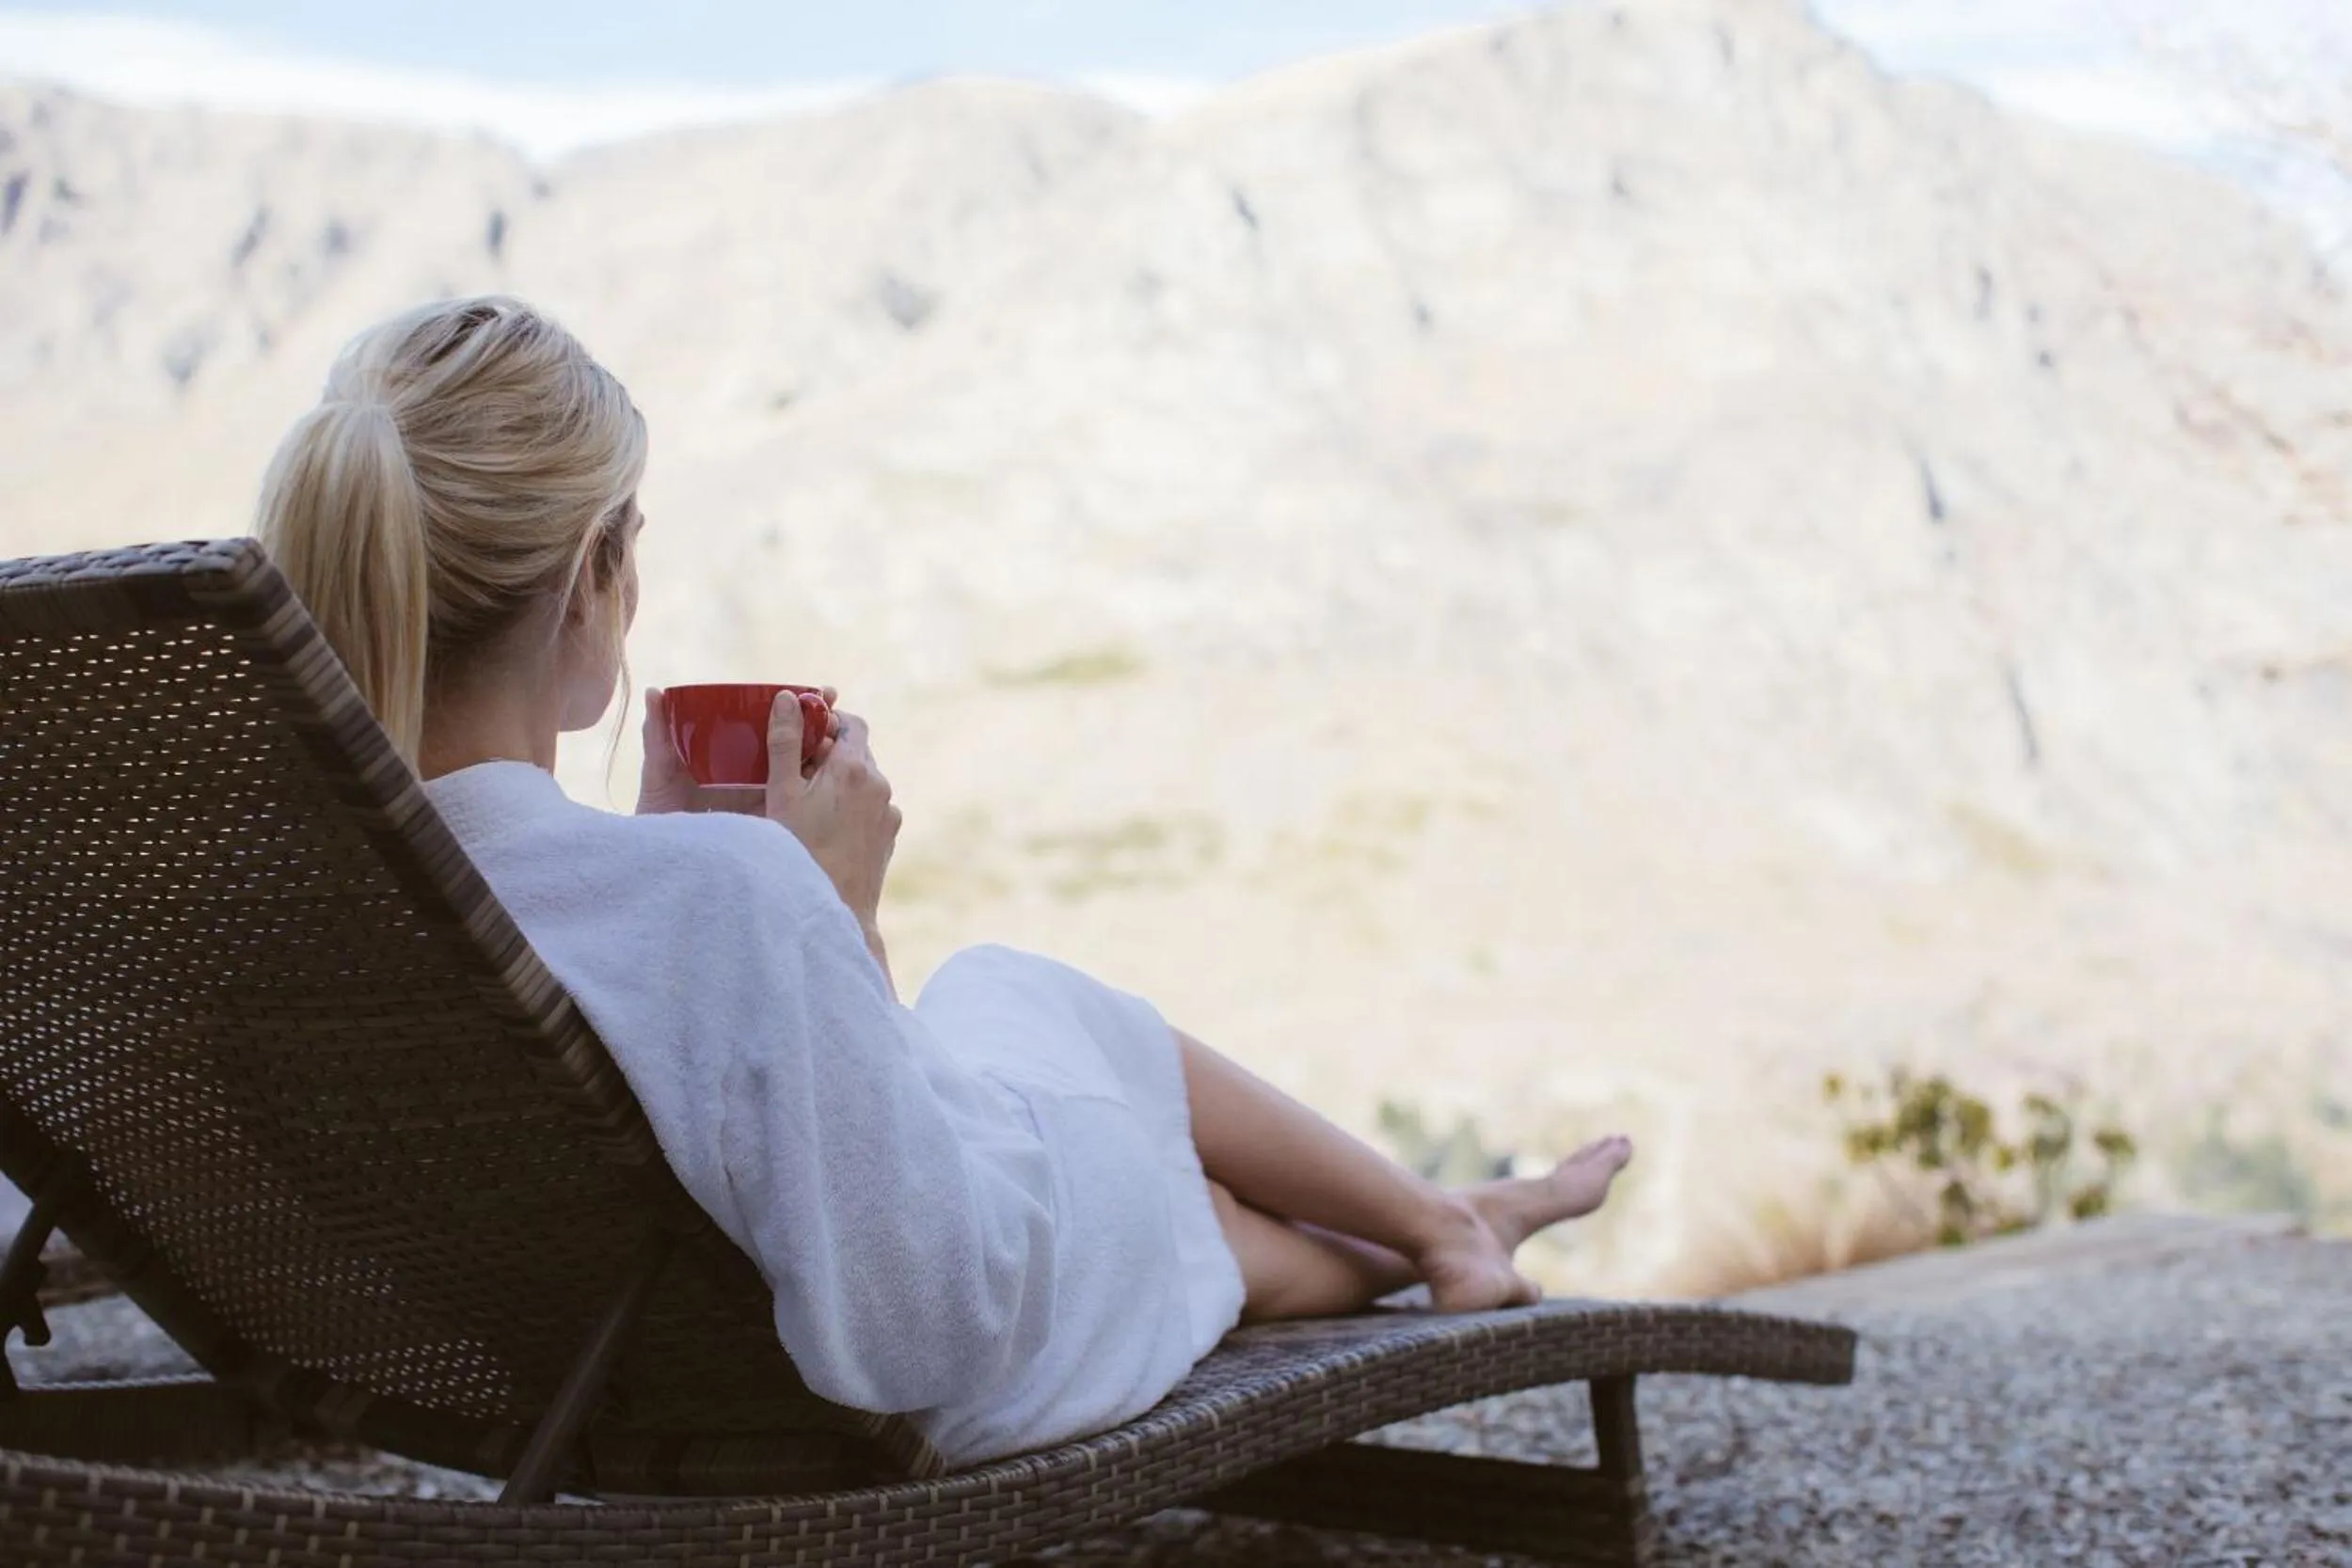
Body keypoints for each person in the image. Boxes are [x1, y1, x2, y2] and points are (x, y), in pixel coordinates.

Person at [254, 294, 1633, 1469]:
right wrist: (827, 910)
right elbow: (923, 1321)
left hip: (586, 1370)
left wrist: (705, 869)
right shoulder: (720, 893)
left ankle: (1445, 1230)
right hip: (905, 1381)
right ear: (587, 581)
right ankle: (1446, 1222)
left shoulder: (320, 906)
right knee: (1068, 1053)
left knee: (1046, 1058)